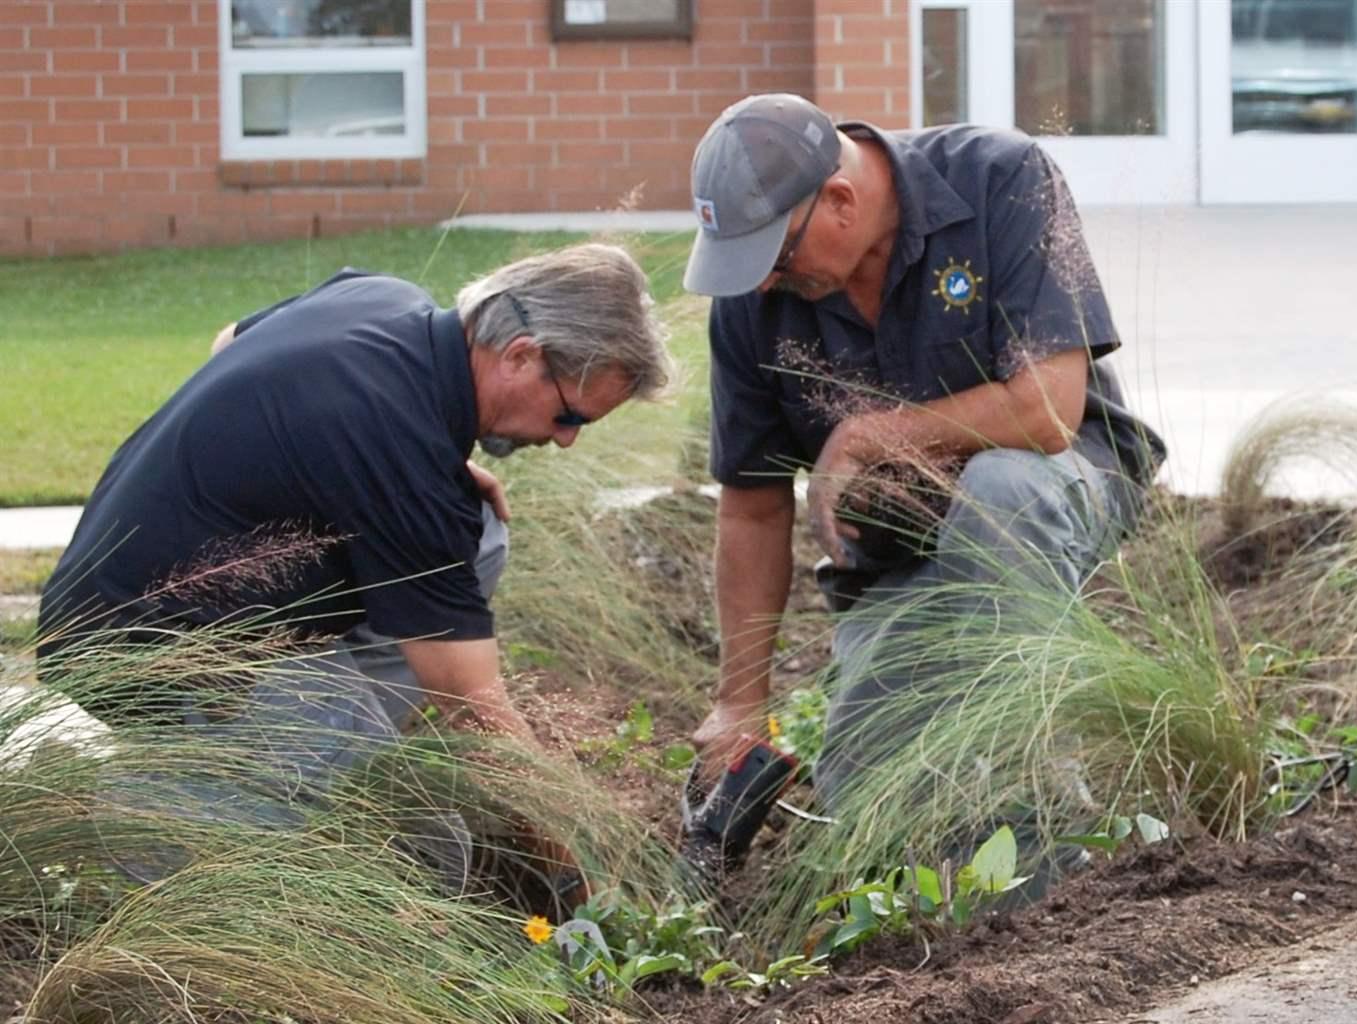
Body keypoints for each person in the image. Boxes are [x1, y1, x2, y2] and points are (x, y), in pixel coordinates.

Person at [35, 242, 676, 906]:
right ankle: (162, 815)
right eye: (570, 415)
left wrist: (345, 465)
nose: (568, 438)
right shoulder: (401, 460)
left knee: (478, 536)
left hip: (117, 596)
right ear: (518, 356)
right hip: (128, 652)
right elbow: (473, 706)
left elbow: (228, 343)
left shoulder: (379, 300)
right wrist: (576, 870)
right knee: (358, 788)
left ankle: (295, 762)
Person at [681, 94, 1167, 812]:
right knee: (863, 797)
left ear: (841, 200)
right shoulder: (753, 298)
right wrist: (739, 704)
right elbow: (752, 511)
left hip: (1059, 481)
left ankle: (1037, 790)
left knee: (1003, 493)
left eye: (776, 258)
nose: (762, 283)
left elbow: (1047, 411)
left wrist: (867, 435)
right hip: (900, 546)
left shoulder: (1001, 179)